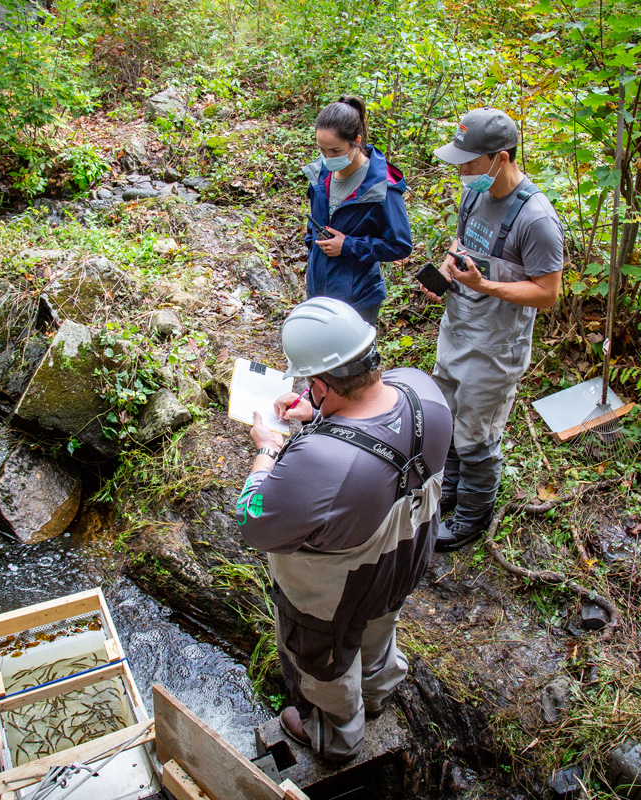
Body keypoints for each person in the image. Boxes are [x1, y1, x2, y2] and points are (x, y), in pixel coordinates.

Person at [234, 297, 451, 762]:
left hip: (333, 595)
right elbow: (376, 431)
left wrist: (268, 449)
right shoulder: (423, 391)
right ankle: (376, 694)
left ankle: (337, 735)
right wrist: (316, 416)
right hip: (404, 561)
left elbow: (253, 521)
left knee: (323, 664)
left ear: (320, 382)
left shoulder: (320, 462)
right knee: (379, 627)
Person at [421, 107, 564, 552]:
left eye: (468, 162)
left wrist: (485, 285)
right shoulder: (473, 194)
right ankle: (447, 496)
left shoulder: (536, 219)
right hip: (458, 327)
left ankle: (471, 520)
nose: (461, 170)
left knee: (476, 436)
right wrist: (447, 270)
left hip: (496, 347)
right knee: (446, 419)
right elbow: (461, 244)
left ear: (500, 158)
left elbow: (547, 292)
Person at [304, 96, 413, 326]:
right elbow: (312, 228)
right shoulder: (320, 175)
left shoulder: (381, 187)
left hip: (358, 300)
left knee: (350, 363)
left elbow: (400, 244)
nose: (327, 158)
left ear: (356, 141)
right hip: (318, 294)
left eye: (335, 150)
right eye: (322, 150)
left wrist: (348, 246)